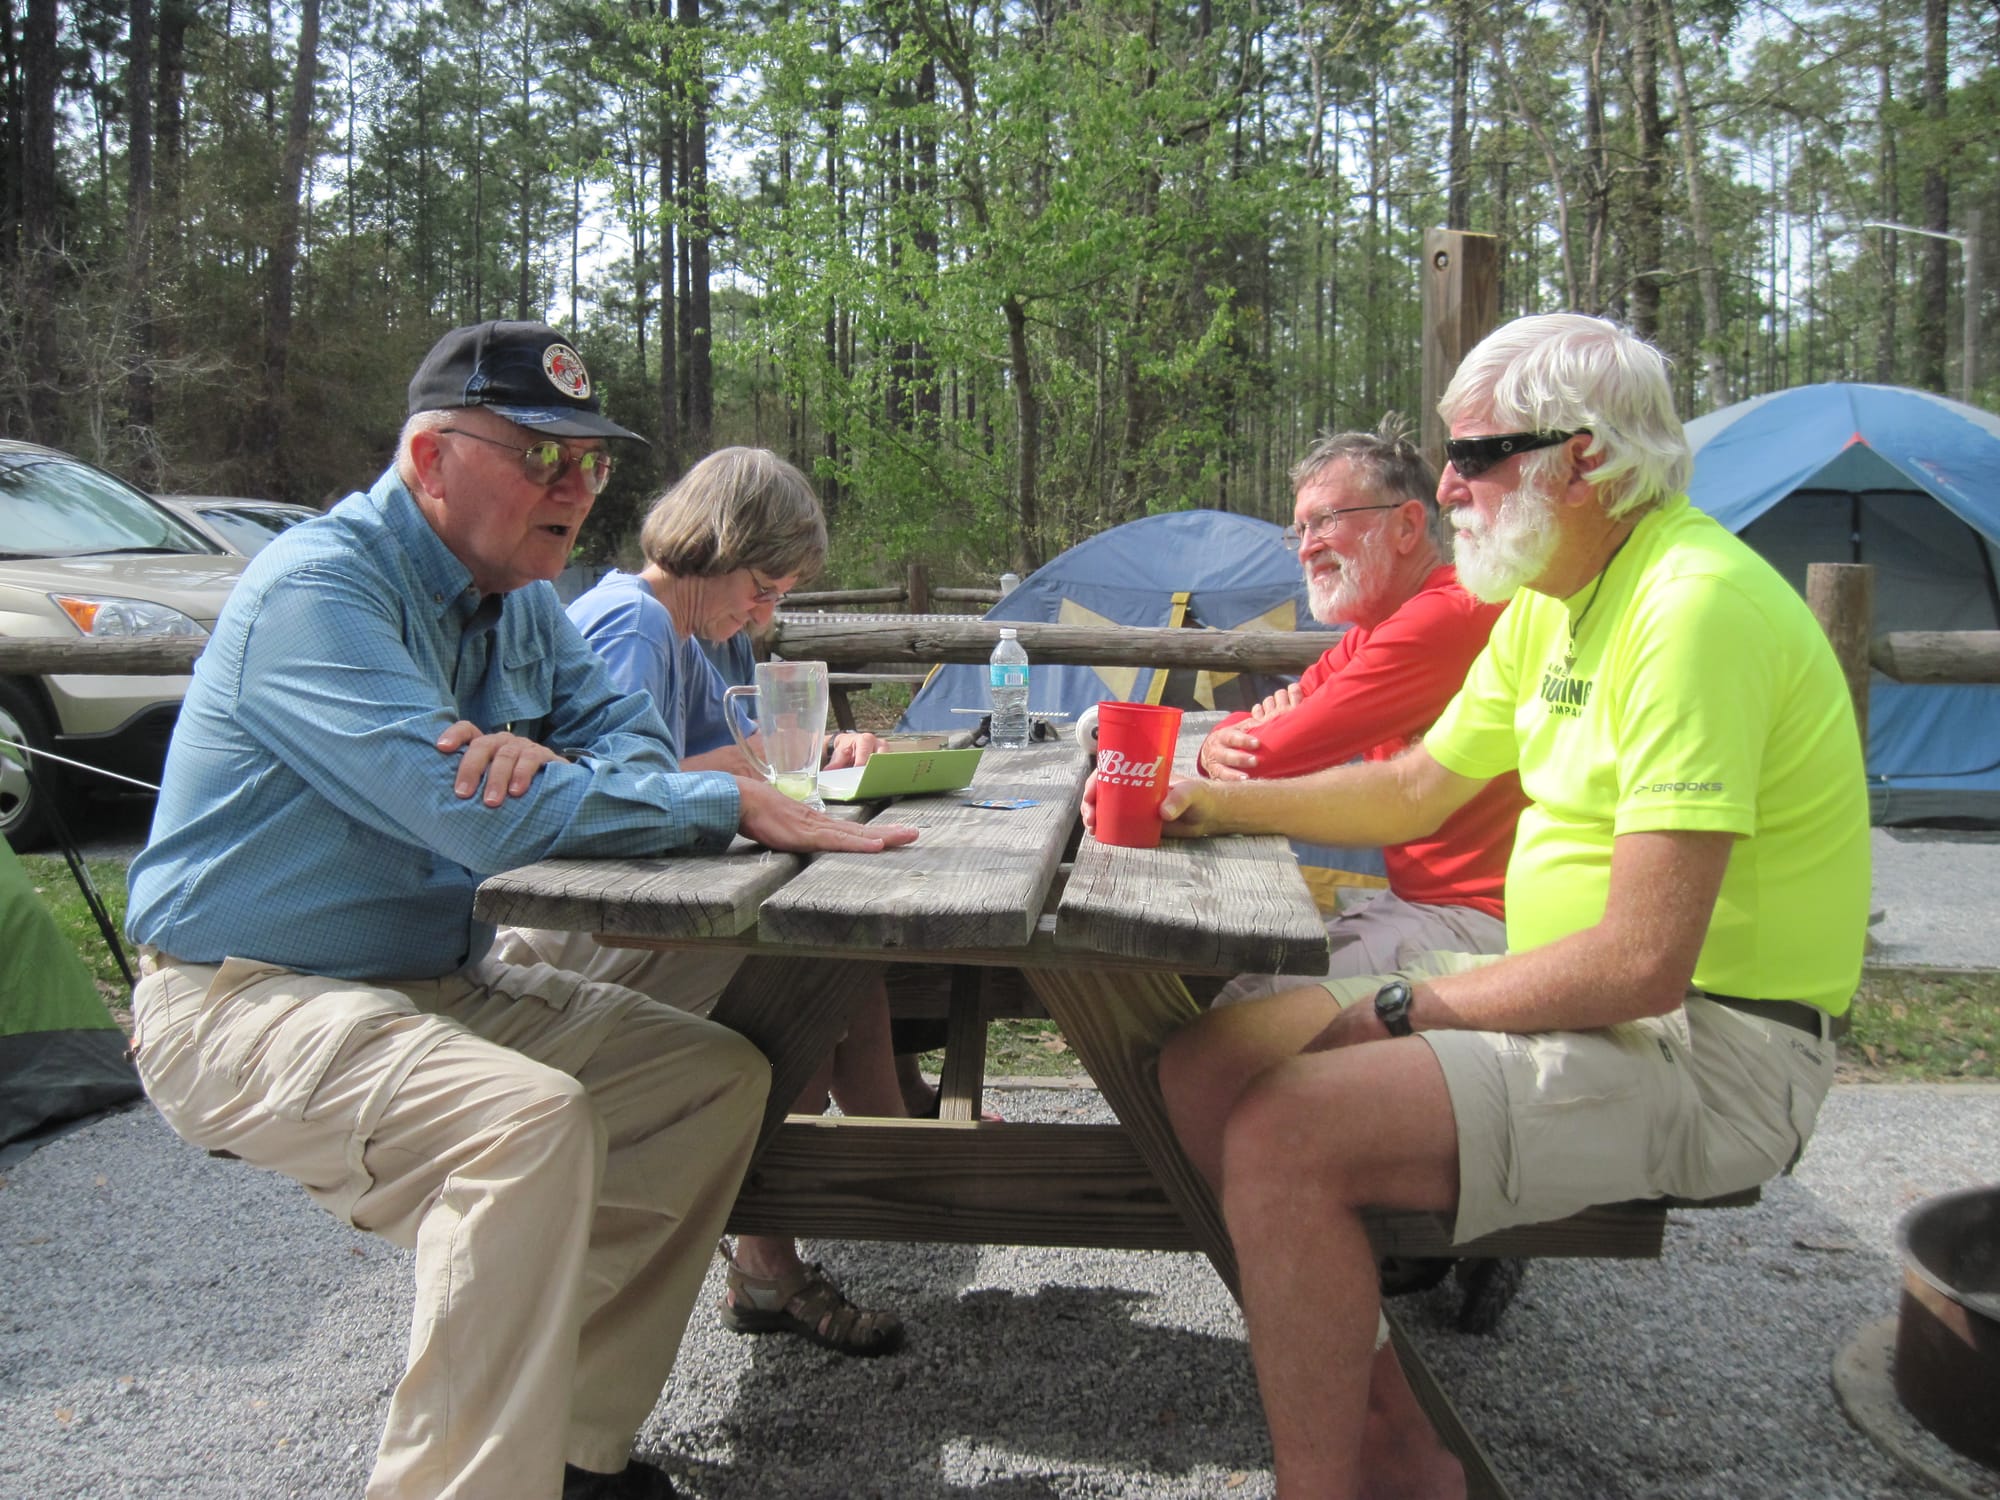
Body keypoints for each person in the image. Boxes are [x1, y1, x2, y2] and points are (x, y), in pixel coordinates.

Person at [124, 320, 917, 1500]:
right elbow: (478, 819)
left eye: (590, 464)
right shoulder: (319, 588)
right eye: (539, 456)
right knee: (525, 1125)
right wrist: (665, 798)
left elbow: (638, 743)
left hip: (434, 982)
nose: (574, 489)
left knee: (713, 1082)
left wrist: (551, 771)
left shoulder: (522, 597)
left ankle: (569, 1455)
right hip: (243, 995)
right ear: (431, 459)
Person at [1124, 312, 1869, 1499]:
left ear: (1583, 457)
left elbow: (1640, 966)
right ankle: (1396, 1438)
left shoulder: (1691, 609)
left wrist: (1408, 1005)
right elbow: (1416, 787)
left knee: (1283, 1130)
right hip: (1573, 994)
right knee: (1199, 1067)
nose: (1450, 487)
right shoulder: (1549, 597)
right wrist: (1209, 810)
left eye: (1471, 457)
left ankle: (1329, 1482)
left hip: (1715, 1042)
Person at [497, 446, 911, 1357]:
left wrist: (829, 748)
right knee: (804, 973)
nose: (765, 616)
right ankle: (849, 1203)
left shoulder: (703, 630)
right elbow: (608, 796)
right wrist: (731, 771)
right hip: (587, 927)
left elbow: (748, 756)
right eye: (762, 588)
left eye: (779, 596)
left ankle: (881, 1164)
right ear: (714, 548)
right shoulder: (631, 625)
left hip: (673, 897)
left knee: (840, 958)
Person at [1196, 417, 1526, 1006]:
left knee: (1239, 1007)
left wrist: (1245, 738)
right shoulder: (1373, 630)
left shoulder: (1445, 618)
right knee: (1222, 981)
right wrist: (1220, 740)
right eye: (1297, 529)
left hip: (1482, 921)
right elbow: (1251, 739)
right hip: (1424, 902)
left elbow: (1263, 755)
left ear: (1406, 525)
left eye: (1327, 520)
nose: (1306, 547)